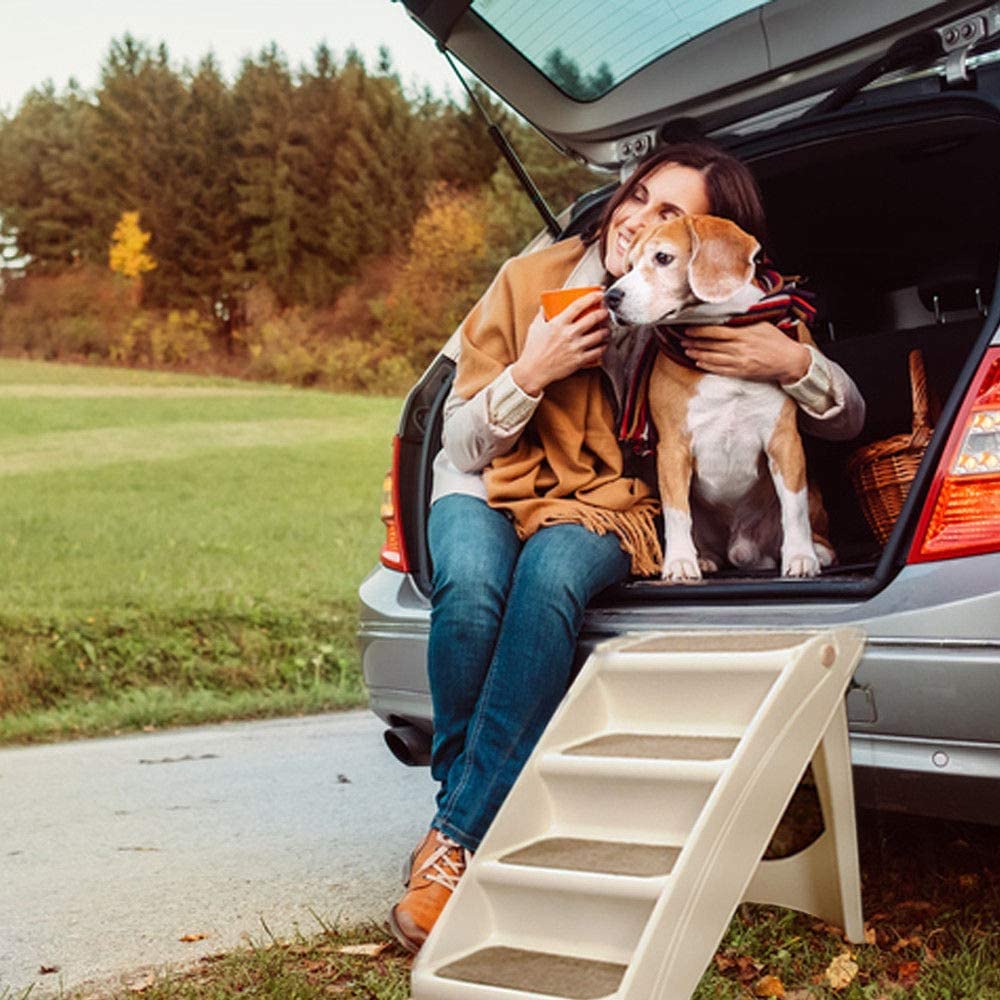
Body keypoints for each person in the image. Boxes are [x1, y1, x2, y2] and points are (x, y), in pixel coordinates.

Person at [388, 141, 865, 953]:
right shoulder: (526, 283)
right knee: (470, 588)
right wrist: (530, 372)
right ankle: (463, 821)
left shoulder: (707, 313)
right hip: (488, 483)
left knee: (549, 581)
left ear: (706, 240)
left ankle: (454, 841)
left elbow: (847, 419)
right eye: (638, 195)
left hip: (607, 506)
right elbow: (460, 444)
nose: (639, 219)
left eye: (669, 212)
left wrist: (793, 361)